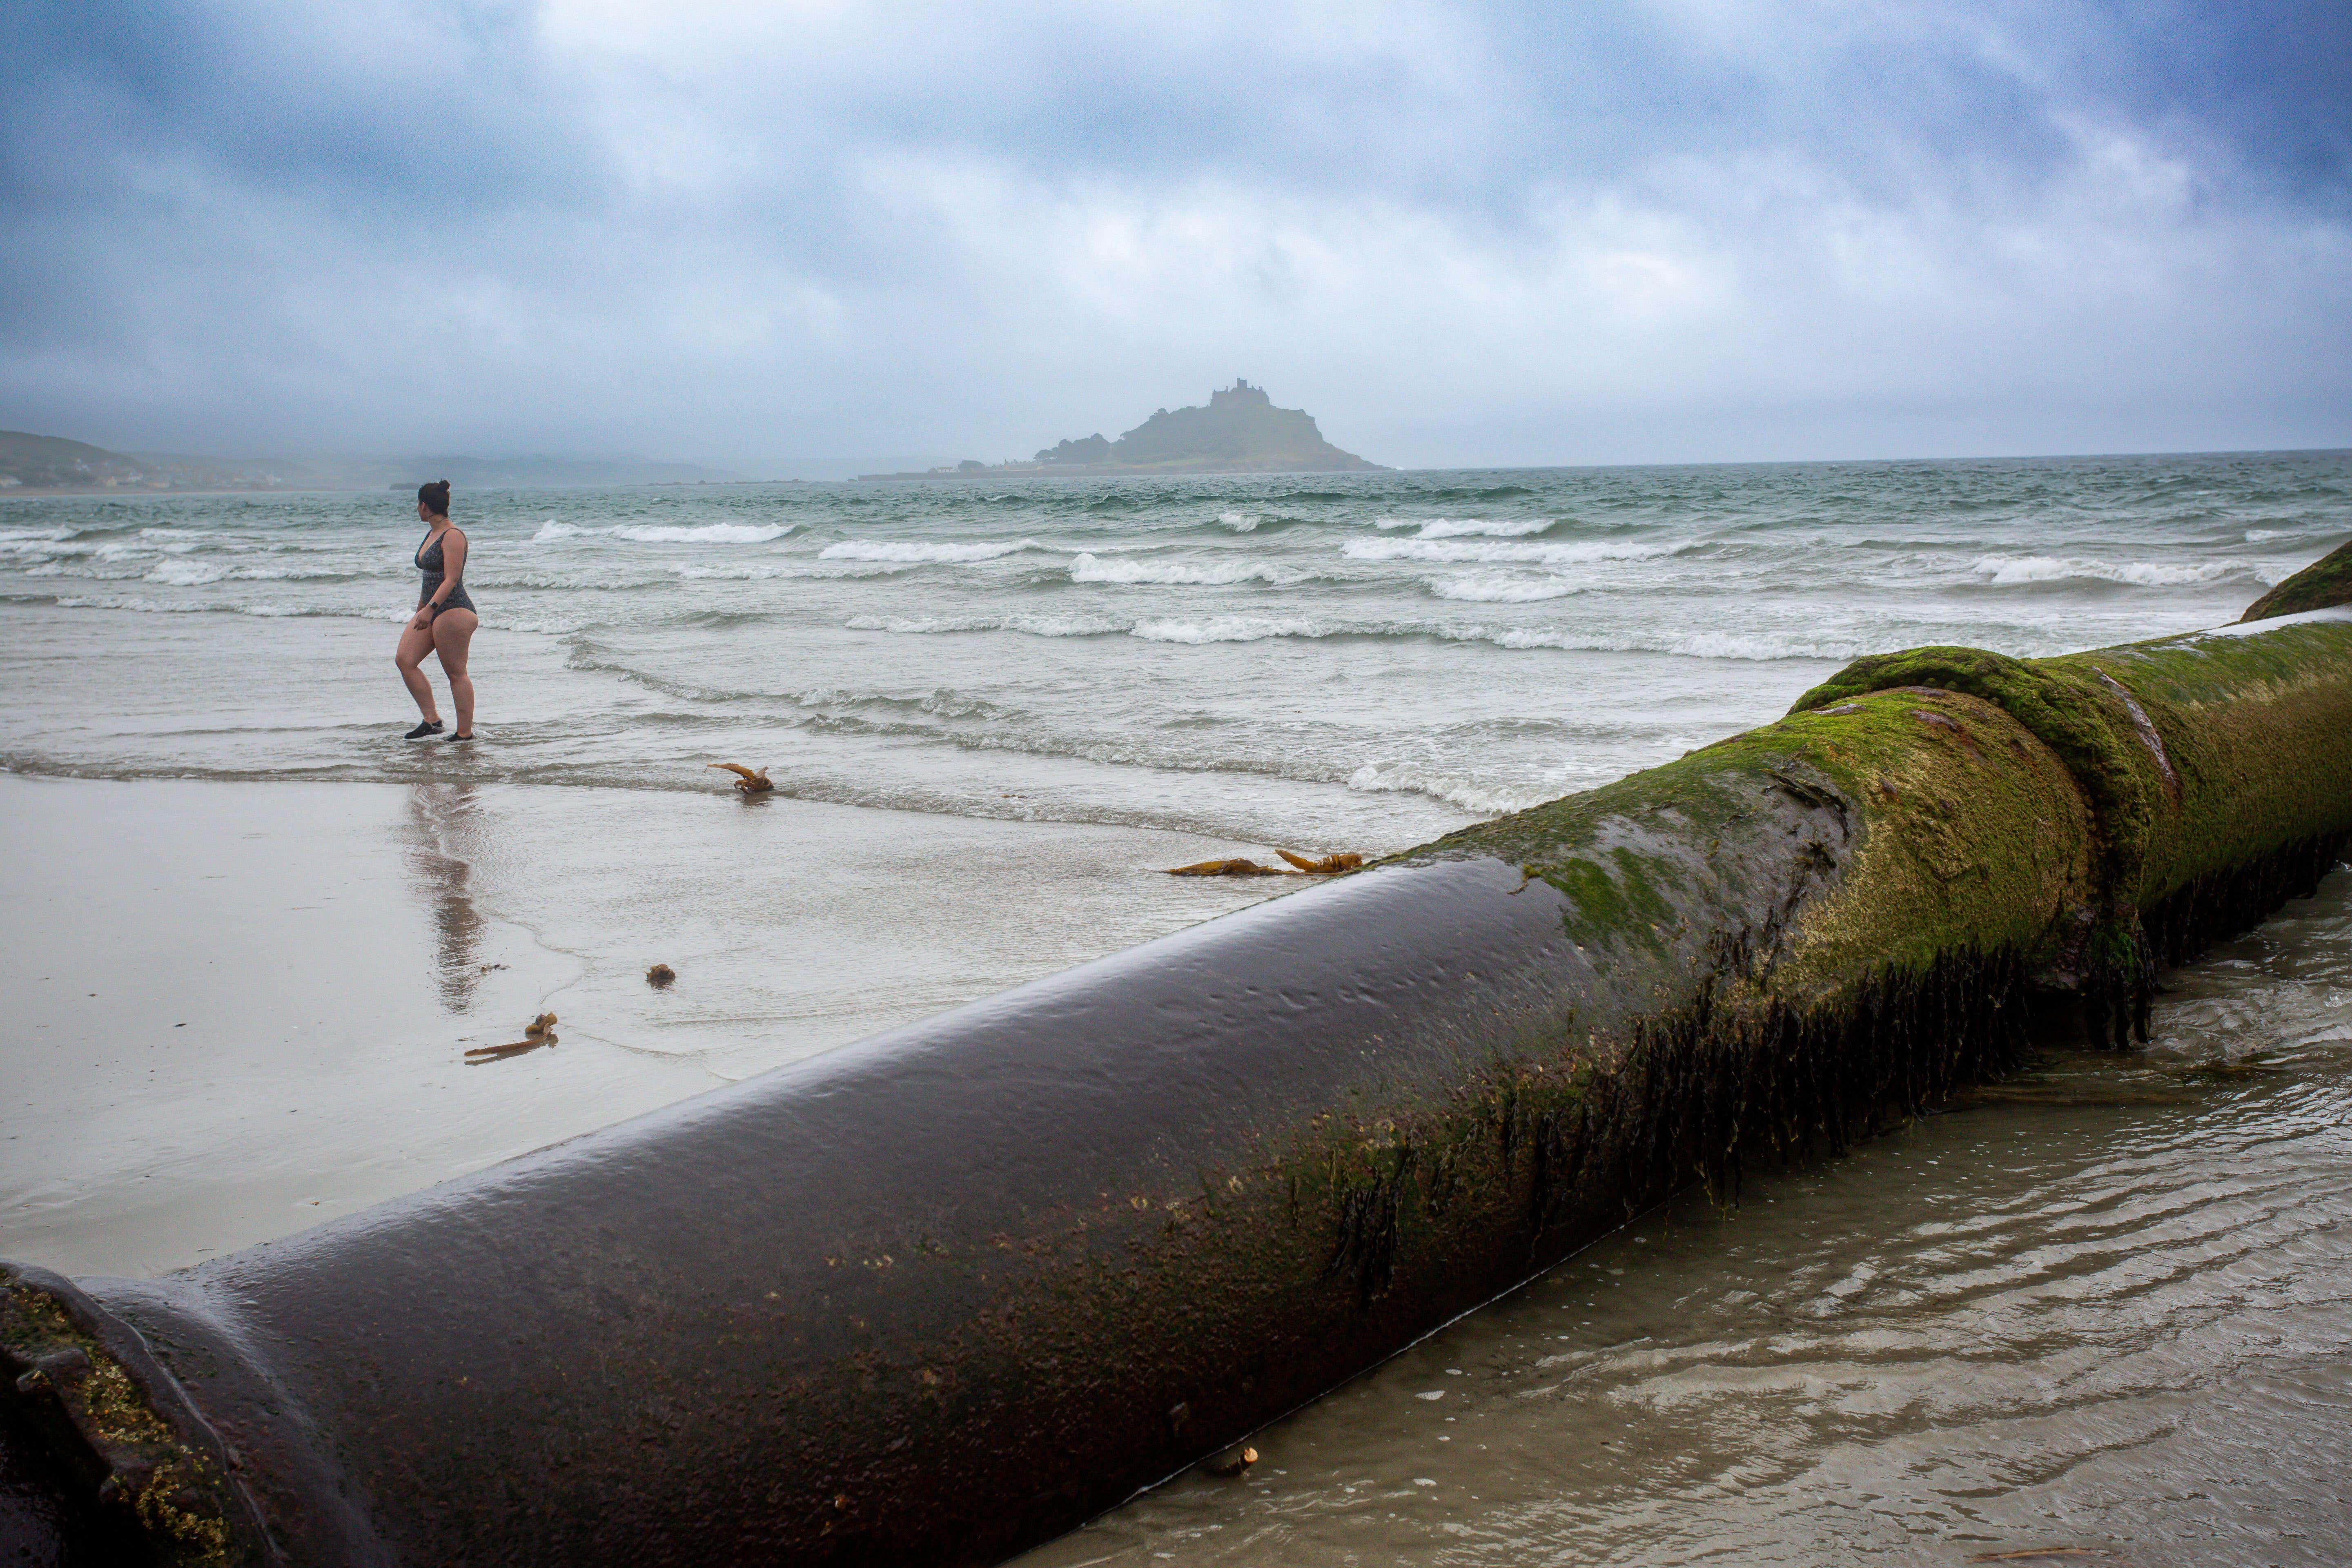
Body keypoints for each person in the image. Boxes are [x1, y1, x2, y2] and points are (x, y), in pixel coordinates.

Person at [395, 479, 479, 741]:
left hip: (454, 610)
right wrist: (420, 611)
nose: (417, 509)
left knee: (456, 673)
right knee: (405, 660)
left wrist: (430, 609)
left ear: (424, 506)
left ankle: (464, 734)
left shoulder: (453, 535)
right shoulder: (431, 533)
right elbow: (429, 579)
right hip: (430, 610)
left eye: (417, 504)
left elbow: (451, 579)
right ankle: (432, 721)